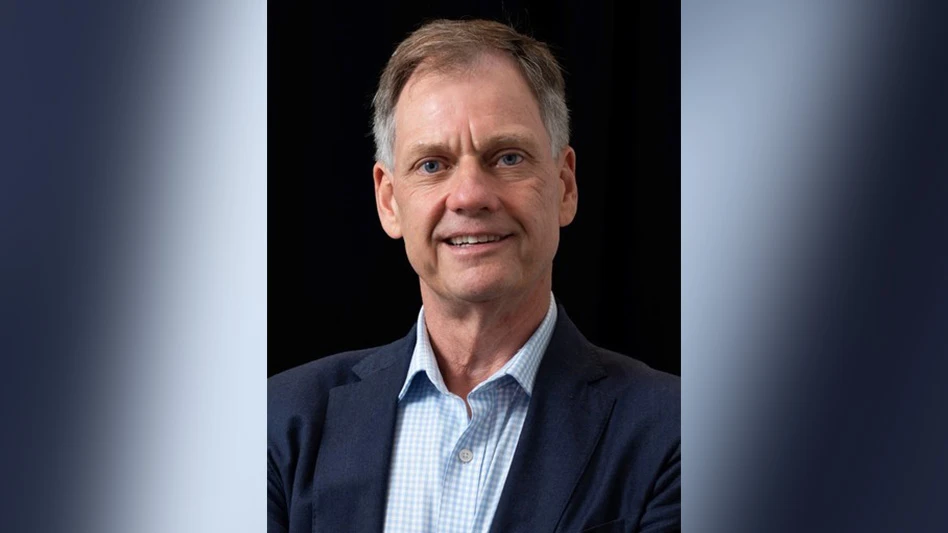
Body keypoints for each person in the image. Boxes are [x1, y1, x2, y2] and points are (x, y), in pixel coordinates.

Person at [268, 19, 680, 533]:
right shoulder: (278, 424)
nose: (468, 196)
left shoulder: (674, 436)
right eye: (432, 165)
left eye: (507, 157)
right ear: (389, 201)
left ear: (565, 186)